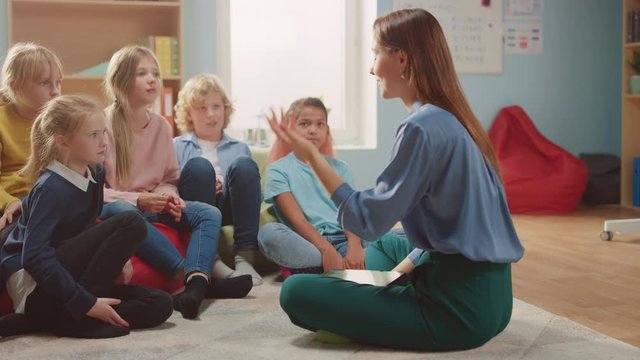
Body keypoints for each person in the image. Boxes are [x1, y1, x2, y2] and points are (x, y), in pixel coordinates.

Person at [266, 8, 525, 351]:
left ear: (401, 58)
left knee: (295, 291)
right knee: (390, 244)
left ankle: (376, 303)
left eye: (375, 53)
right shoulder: (454, 118)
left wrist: (313, 157)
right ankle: (378, 297)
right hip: (494, 302)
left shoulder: (421, 126)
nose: (371, 68)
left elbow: (366, 219)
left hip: (456, 312)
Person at [0, 95, 172, 338]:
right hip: (36, 288)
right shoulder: (49, 187)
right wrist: (86, 302)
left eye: (104, 132)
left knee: (160, 304)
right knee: (131, 222)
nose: (104, 142)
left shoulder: (95, 173)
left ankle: (56, 320)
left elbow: (85, 228)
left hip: (68, 280)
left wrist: (113, 251)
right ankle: (76, 316)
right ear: (63, 142)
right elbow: (35, 258)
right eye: (93, 135)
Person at [99, 46, 252, 320]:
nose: (152, 79)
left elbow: (169, 179)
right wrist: (139, 200)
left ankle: (195, 284)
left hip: (153, 205)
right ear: (120, 79)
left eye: (155, 73)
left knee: (208, 212)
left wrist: (169, 196)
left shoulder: (161, 126)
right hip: (119, 208)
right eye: (142, 73)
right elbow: (95, 193)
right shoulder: (101, 124)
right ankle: (197, 282)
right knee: (128, 217)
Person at [173, 74, 263, 285]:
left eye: (216, 106)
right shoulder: (175, 145)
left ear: (225, 110)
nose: (211, 114)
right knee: (200, 168)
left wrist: (226, 185)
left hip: (229, 206)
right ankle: (210, 260)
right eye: (202, 108)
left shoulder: (239, 147)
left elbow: (252, 193)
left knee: (244, 164)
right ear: (189, 113)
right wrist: (205, 182)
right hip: (195, 205)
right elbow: (167, 185)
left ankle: (244, 258)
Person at [0, 43, 62, 230]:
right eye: (45, 83)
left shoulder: (61, 122)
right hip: (16, 200)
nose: (56, 91)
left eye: (58, 82)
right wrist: (8, 202)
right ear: (15, 86)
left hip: (54, 198)